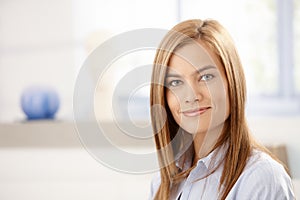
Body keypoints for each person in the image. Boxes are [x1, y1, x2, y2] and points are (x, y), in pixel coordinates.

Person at [149, 19, 295, 200]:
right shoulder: (164, 183)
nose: (192, 95)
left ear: (232, 82)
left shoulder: (261, 179)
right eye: (176, 82)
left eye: (205, 77)